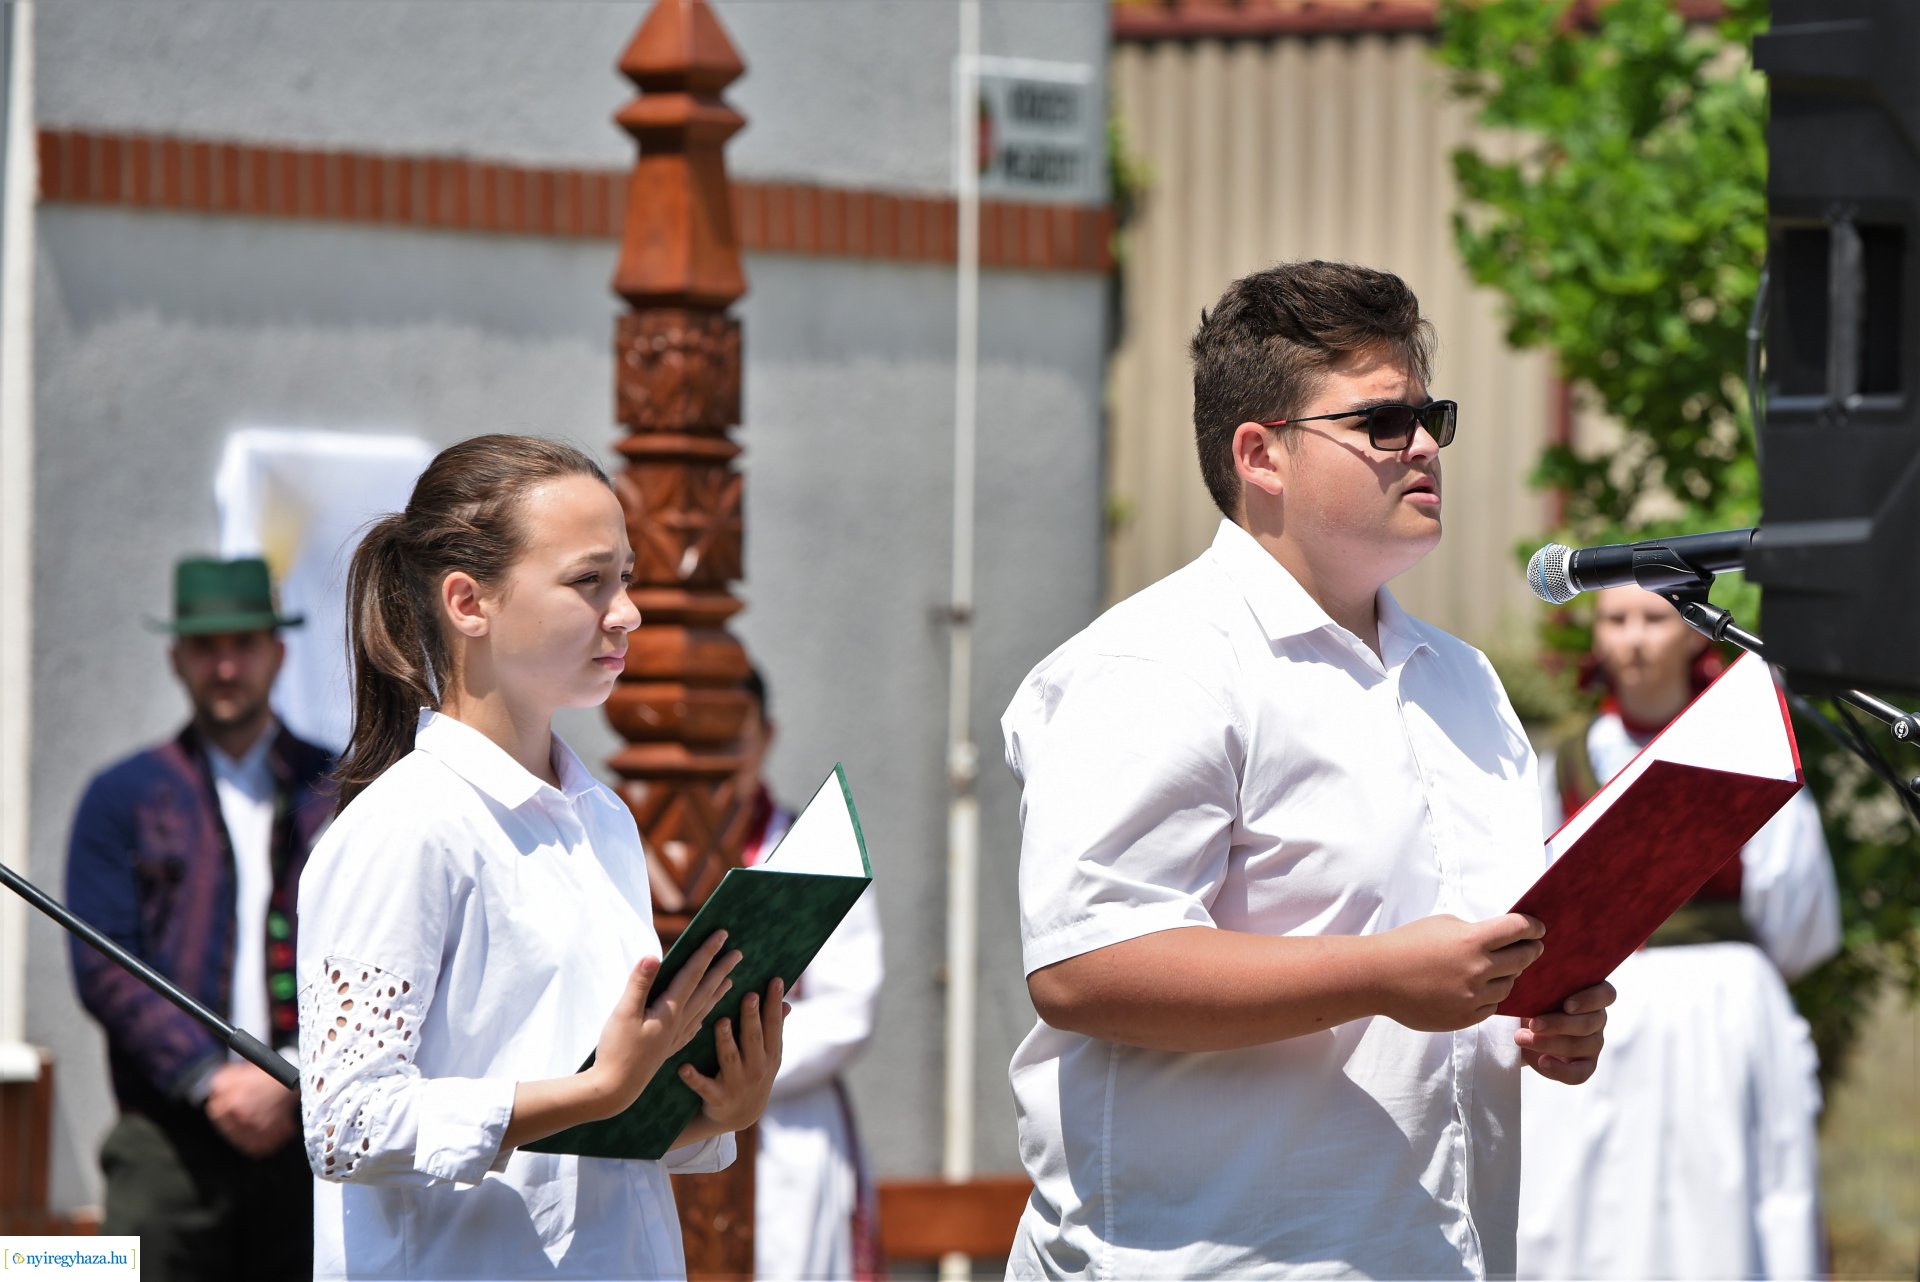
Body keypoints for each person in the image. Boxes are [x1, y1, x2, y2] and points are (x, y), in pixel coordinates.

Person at [1000, 260, 1615, 1278]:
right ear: (1262, 456)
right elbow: (1085, 966)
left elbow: (1469, 954)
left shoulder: (1467, 684)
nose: (1423, 445)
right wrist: (1382, 975)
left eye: (1431, 416)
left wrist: (1544, 1011)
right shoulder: (1157, 663)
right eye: (1382, 423)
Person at [295, 434, 787, 1281]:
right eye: (588, 581)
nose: (626, 611)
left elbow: (589, 1135)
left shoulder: (602, 820)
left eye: (626, 577)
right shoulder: (406, 826)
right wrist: (599, 1092)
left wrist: (706, 1109)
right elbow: (345, 1122)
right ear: (467, 602)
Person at [1516, 583, 1841, 1279]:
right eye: (1615, 619)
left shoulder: (1744, 752)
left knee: (1717, 1205)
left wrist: (1729, 983)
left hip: (1719, 1018)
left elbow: (1797, 911)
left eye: (1653, 619)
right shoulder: (1565, 762)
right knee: (1584, 1205)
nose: (1633, 637)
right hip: (1595, 1012)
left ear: (1696, 633)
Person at [66, 555, 333, 1282]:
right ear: (176, 658)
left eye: (243, 644)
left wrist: (294, 1076)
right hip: (168, 1132)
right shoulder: (122, 797)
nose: (226, 666)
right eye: (206, 648)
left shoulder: (337, 792)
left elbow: (382, 956)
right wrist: (210, 1081)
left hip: (315, 1125)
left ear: (276, 654)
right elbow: (105, 965)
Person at [737, 667, 885, 1280]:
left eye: (731, 735)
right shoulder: (630, 844)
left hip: (786, 1130)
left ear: (765, 736)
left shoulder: (809, 853)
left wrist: (726, 1058)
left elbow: (849, 1008)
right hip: (669, 1126)